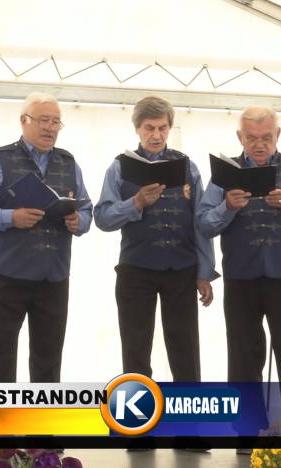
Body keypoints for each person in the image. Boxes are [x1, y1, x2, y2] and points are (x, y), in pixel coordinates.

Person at [197, 106, 281, 415]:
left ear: (277, 135)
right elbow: (203, 223)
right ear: (240, 137)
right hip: (242, 277)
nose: (259, 144)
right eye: (252, 138)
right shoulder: (224, 176)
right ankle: (247, 433)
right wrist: (226, 207)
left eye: (266, 137)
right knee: (243, 356)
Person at [0, 92, 92, 383]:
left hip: (53, 277)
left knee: (48, 365)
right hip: (7, 275)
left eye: (56, 122)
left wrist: (79, 221)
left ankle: (40, 425)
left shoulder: (70, 164)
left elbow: (88, 210)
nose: (50, 127)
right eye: (43, 120)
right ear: (24, 121)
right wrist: (10, 217)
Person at [94, 96, 217, 382]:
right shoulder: (119, 167)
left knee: (185, 351)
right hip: (136, 270)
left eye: (162, 128)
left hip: (181, 270)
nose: (156, 135)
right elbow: (102, 218)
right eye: (149, 128)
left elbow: (200, 222)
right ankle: (141, 423)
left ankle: (189, 425)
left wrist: (204, 272)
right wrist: (135, 203)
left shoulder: (188, 167)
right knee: (136, 354)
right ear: (137, 128)